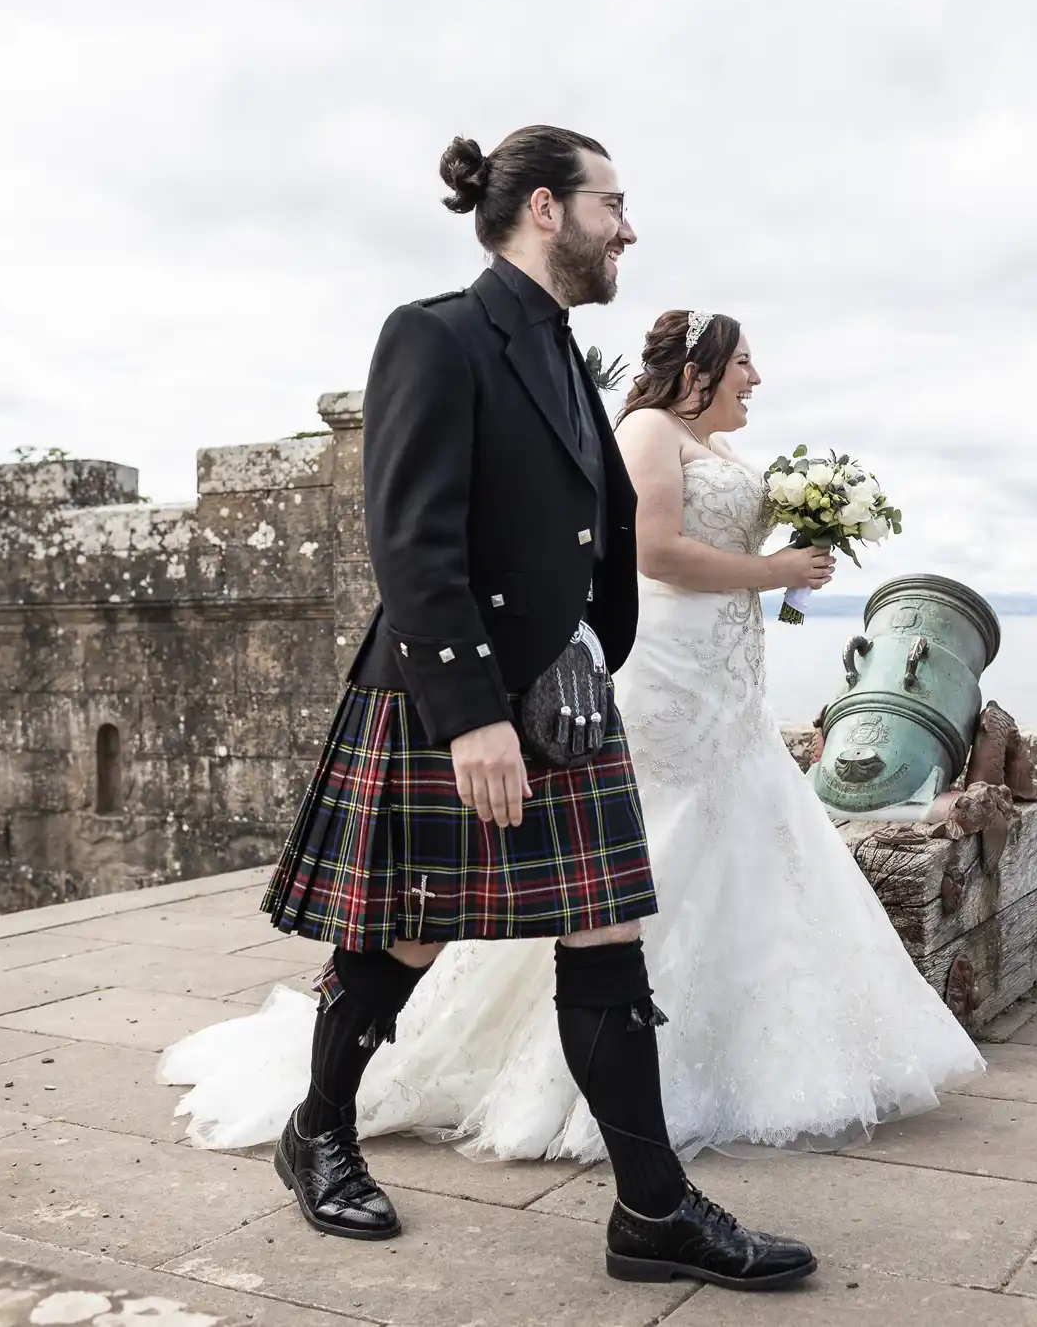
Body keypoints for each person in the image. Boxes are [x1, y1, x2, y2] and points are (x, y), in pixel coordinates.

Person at [171, 124, 813, 1293]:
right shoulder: (436, 335)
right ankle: (317, 1129)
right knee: (410, 928)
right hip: (448, 690)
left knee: (603, 929)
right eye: (613, 202)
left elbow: (594, 529)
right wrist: (471, 711)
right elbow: (411, 538)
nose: (629, 226)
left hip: (559, 693)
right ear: (545, 210)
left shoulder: (570, 355)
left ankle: (651, 1211)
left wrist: (587, 641)